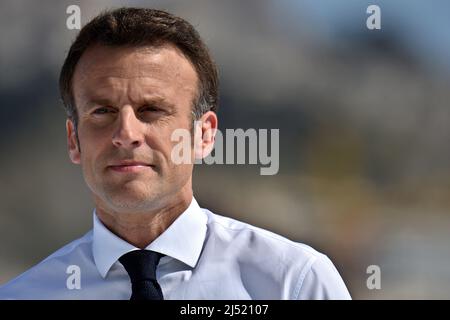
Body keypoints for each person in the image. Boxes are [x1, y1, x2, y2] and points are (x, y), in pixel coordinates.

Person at [0, 7, 351, 300]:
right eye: (102, 112)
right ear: (74, 139)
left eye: (151, 110)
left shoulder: (294, 283)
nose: (126, 135)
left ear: (204, 135)